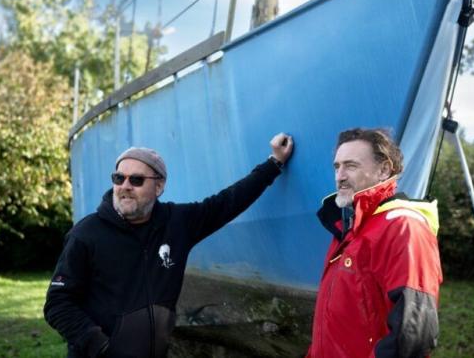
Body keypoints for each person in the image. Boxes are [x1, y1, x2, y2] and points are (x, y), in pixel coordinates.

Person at [44, 133, 293, 358]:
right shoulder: (86, 233)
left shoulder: (178, 223)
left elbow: (228, 202)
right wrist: (100, 346)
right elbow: (57, 304)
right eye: (119, 178)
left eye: (137, 179)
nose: (125, 186)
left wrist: (274, 163)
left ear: (159, 186)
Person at [306, 128, 442, 358]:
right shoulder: (349, 228)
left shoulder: (403, 227)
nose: (340, 176)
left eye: (351, 165)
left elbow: (413, 334)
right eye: (337, 167)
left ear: (383, 170)